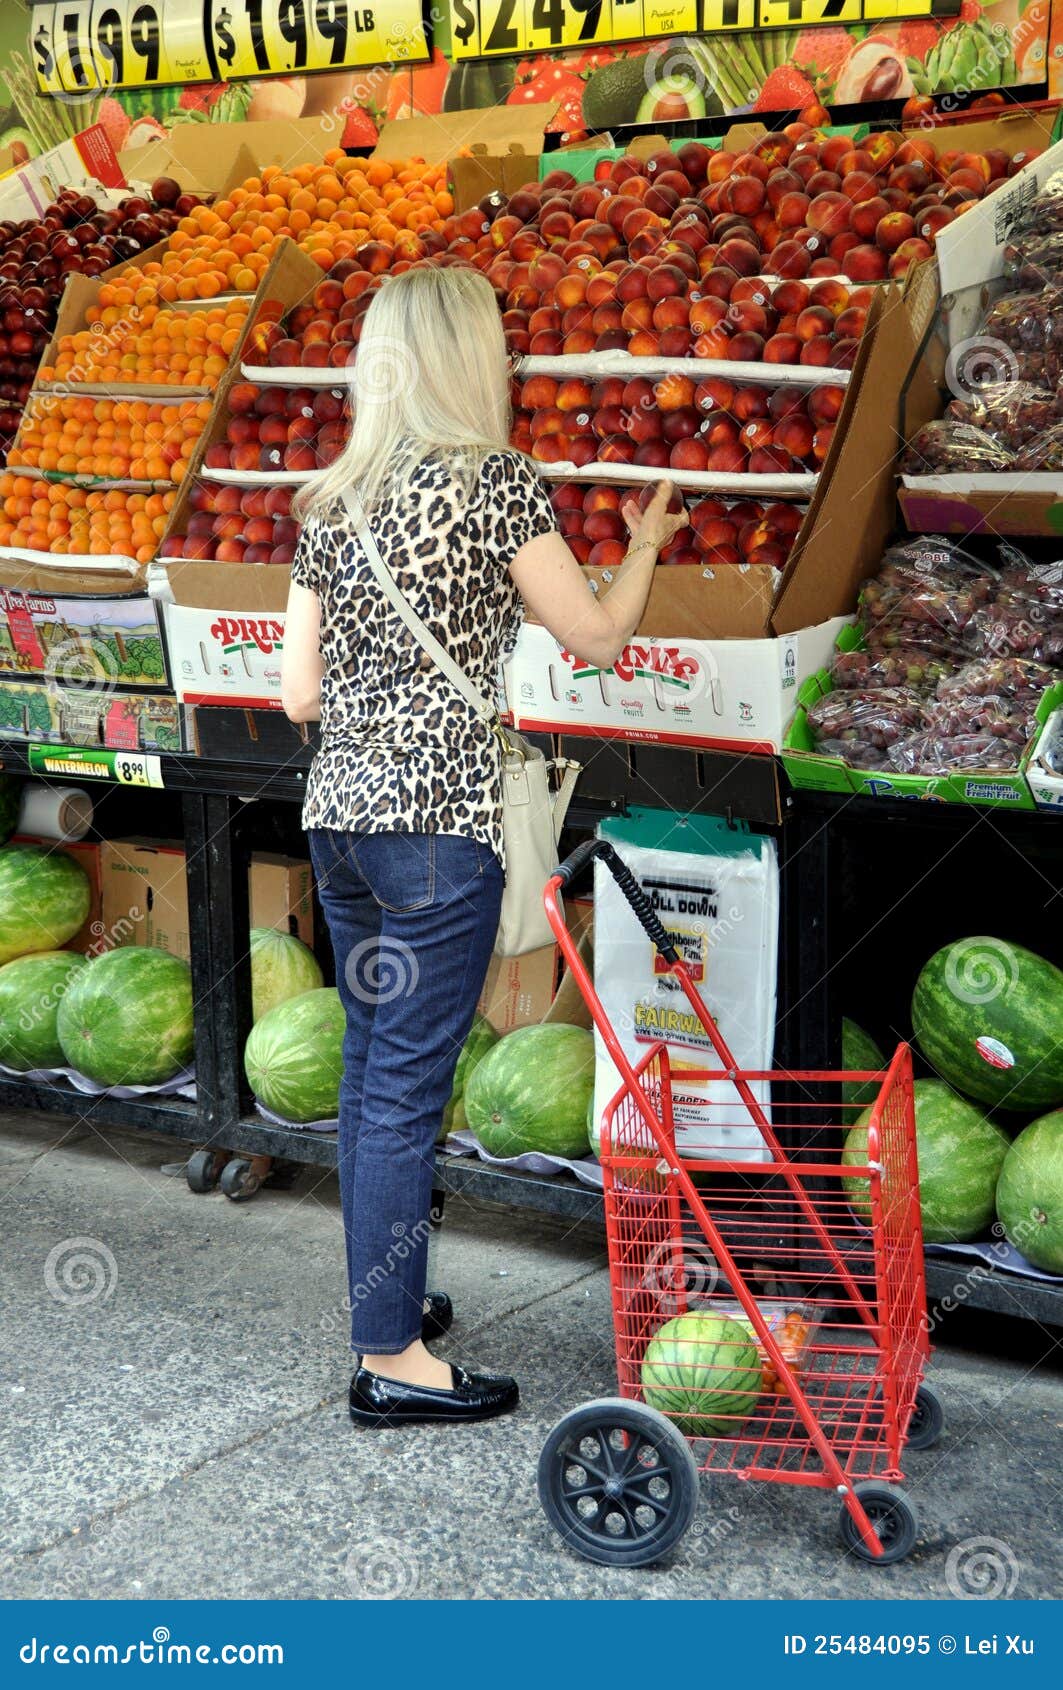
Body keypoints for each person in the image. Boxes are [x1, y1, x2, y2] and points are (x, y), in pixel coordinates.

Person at [281, 262, 687, 1429]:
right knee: (407, 1090)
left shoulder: (331, 499)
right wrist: (644, 547)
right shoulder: (494, 483)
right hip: (437, 831)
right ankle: (391, 1361)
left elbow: (298, 694)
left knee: (373, 1071)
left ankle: (390, 1306)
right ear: (471, 354)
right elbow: (596, 638)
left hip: (339, 821)